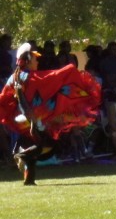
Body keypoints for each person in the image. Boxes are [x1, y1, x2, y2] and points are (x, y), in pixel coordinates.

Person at [0, 43, 101, 184]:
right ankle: (22, 156)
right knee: (48, 144)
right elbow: (54, 79)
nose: (37, 61)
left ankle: (29, 178)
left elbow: (5, 98)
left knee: (34, 146)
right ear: (28, 60)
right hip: (33, 118)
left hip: (24, 119)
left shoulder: (15, 77)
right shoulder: (32, 78)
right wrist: (69, 70)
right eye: (35, 59)